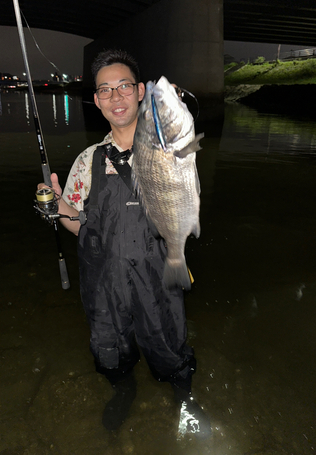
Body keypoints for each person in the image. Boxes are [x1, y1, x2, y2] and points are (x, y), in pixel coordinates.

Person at [37, 49, 211, 438]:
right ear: (97, 101)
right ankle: (123, 390)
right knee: (110, 346)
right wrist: (55, 203)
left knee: (167, 344)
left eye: (124, 87)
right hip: (105, 282)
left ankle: (184, 399)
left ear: (139, 91)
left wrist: (175, 102)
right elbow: (82, 226)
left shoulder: (167, 146)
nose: (116, 97)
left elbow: (188, 137)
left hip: (156, 273)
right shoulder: (88, 160)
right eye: (105, 90)